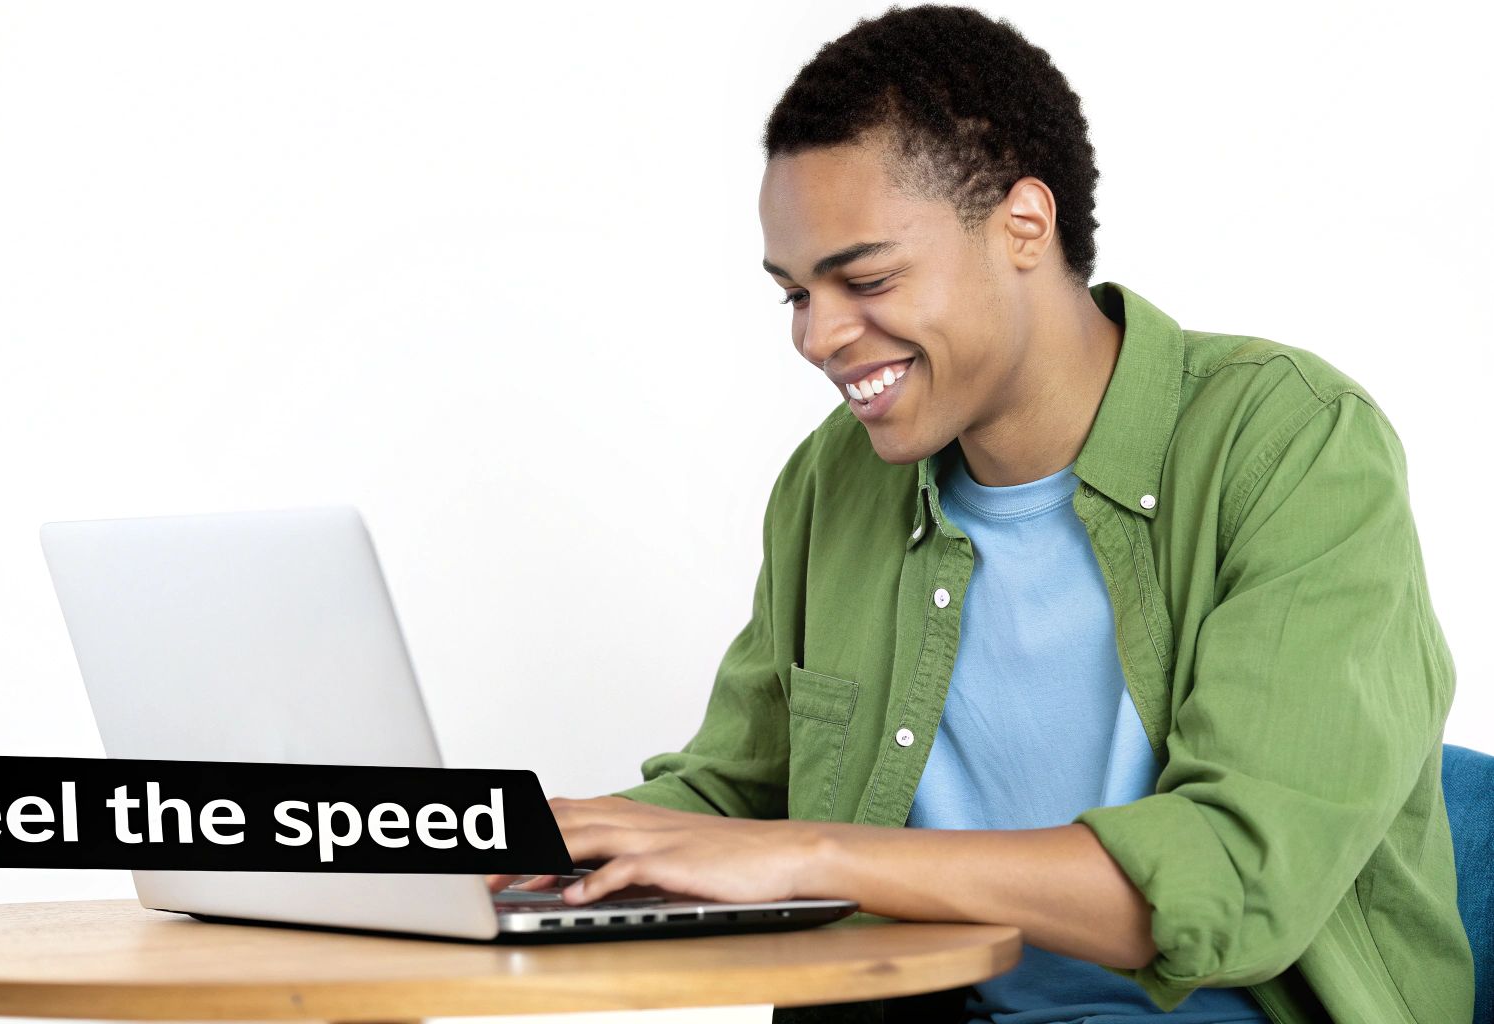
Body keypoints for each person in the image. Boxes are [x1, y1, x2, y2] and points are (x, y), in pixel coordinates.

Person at [487, 5, 1472, 1022]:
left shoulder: (1288, 443)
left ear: (1021, 226)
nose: (816, 336)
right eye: (791, 294)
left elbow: (1234, 876)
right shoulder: (833, 483)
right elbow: (739, 795)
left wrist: (812, 852)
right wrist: (496, 846)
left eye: (863, 278)